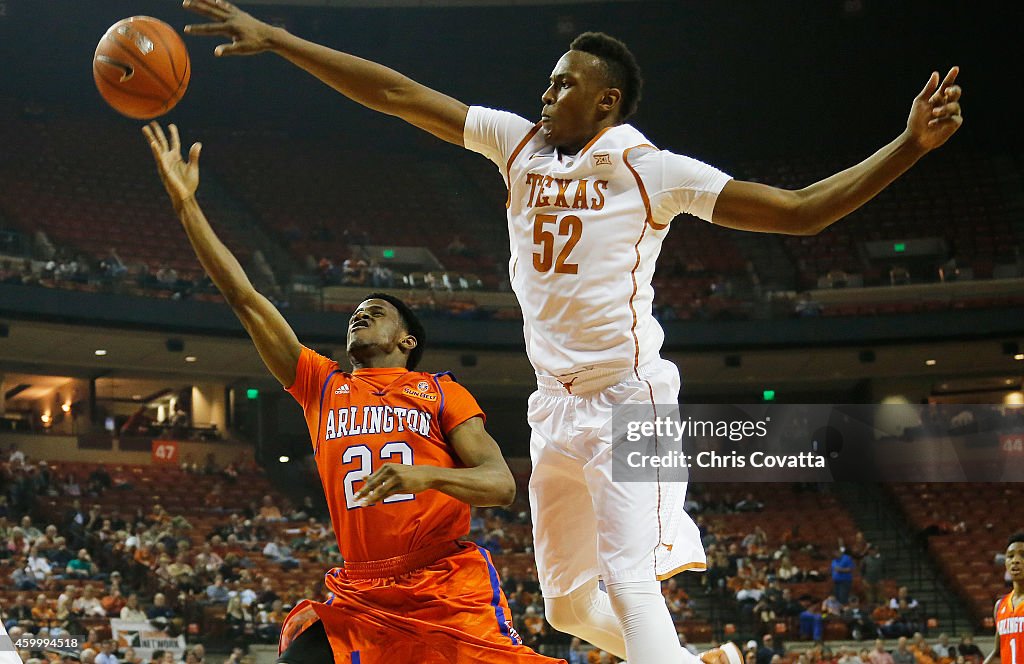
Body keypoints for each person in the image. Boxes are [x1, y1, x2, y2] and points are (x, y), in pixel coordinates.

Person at [181, 2, 963, 661]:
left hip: (630, 397)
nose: (547, 92)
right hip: (554, 407)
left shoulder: (652, 171)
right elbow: (395, 93)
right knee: (565, 608)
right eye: (549, 81)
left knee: (628, 579)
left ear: (608, 103)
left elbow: (799, 211)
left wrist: (909, 147)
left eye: (566, 84)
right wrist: (279, 38)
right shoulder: (517, 145)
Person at [143, 121, 562, 664]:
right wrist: (186, 208)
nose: (361, 313)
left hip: (442, 586)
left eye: (378, 310)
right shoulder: (322, 385)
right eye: (357, 311)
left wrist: (425, 474)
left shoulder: (440, 391)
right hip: (360, 591)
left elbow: (500, 485)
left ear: (407, 340)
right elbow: (244, 298)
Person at [984, 534, 1024, 664]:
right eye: (1010, 556)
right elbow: (997, 654)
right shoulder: (1000, 606)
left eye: (1023, 555)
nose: (1015, 560)